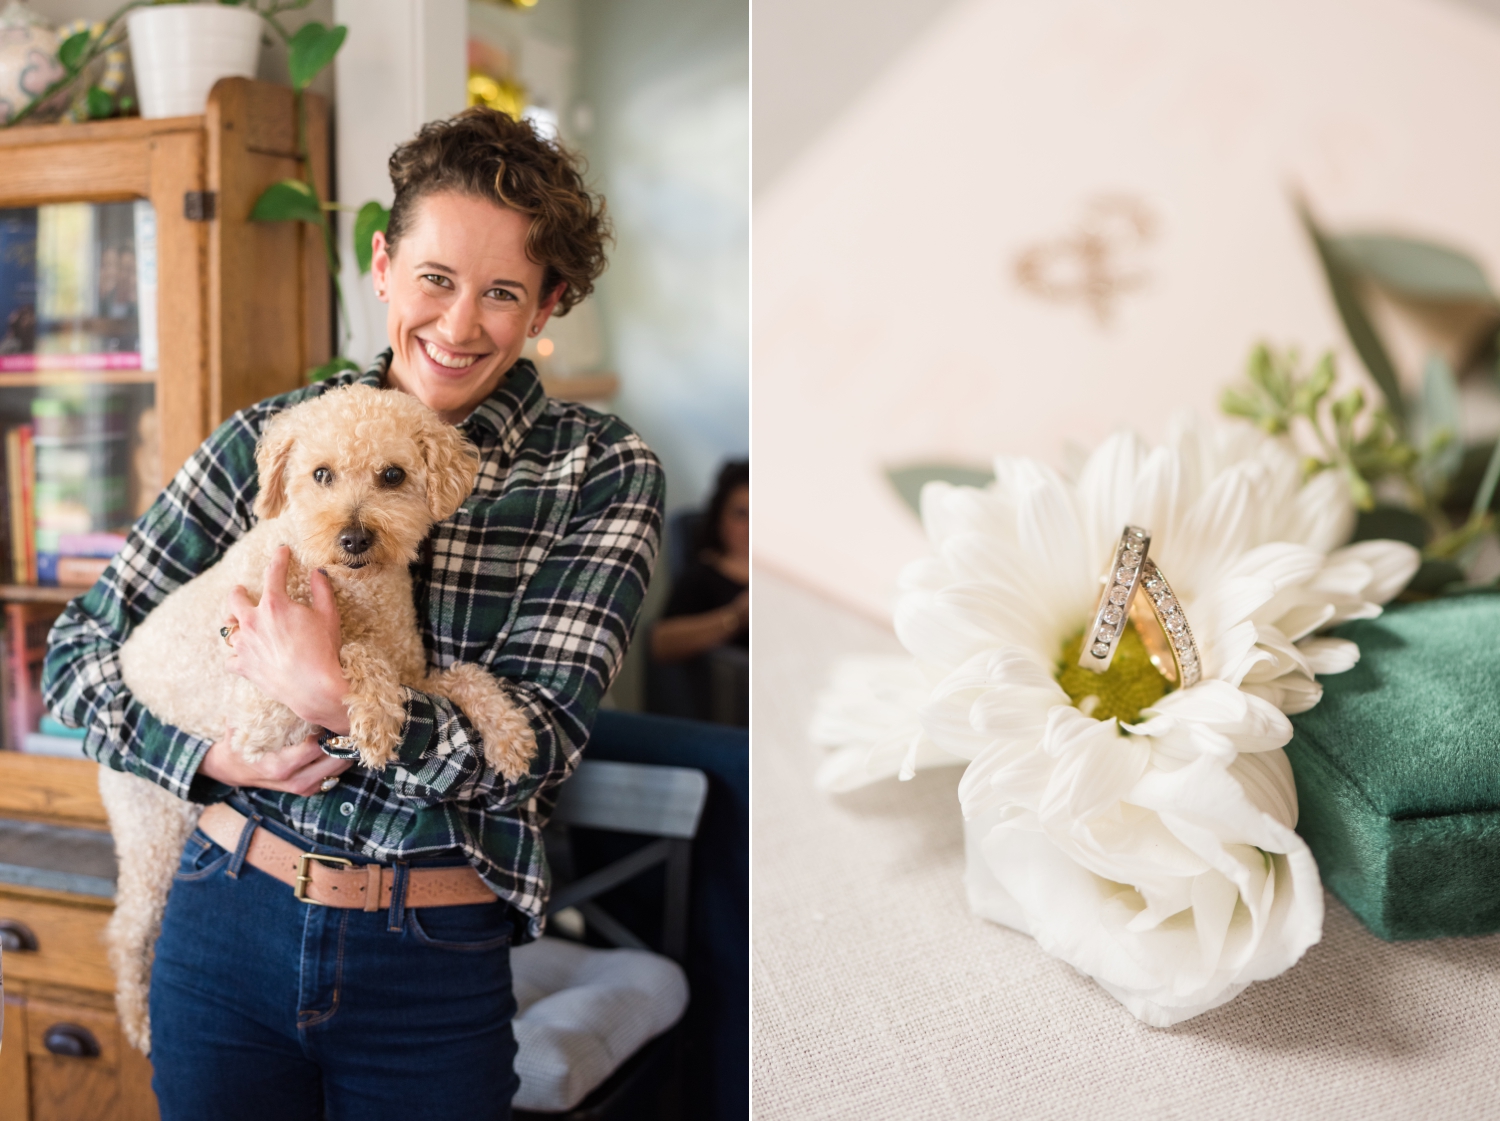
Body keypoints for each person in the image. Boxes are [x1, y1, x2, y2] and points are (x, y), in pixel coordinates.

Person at [42, 108, 664, 1121]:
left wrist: (331, 694)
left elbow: (535, 743)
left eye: (502, 292)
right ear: (382, 264)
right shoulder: (274, 441)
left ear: (550, 300)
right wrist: (205, 760)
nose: (458, 325)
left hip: (428, 949)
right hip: (222, 911)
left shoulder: (600, 472)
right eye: (434, 278)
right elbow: (76, 653)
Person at [649, 461, 748, 721]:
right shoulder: (702, 576)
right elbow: (661, 643)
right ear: (720, 517)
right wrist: (735, 617)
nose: (751, 526)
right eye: (741, 514)